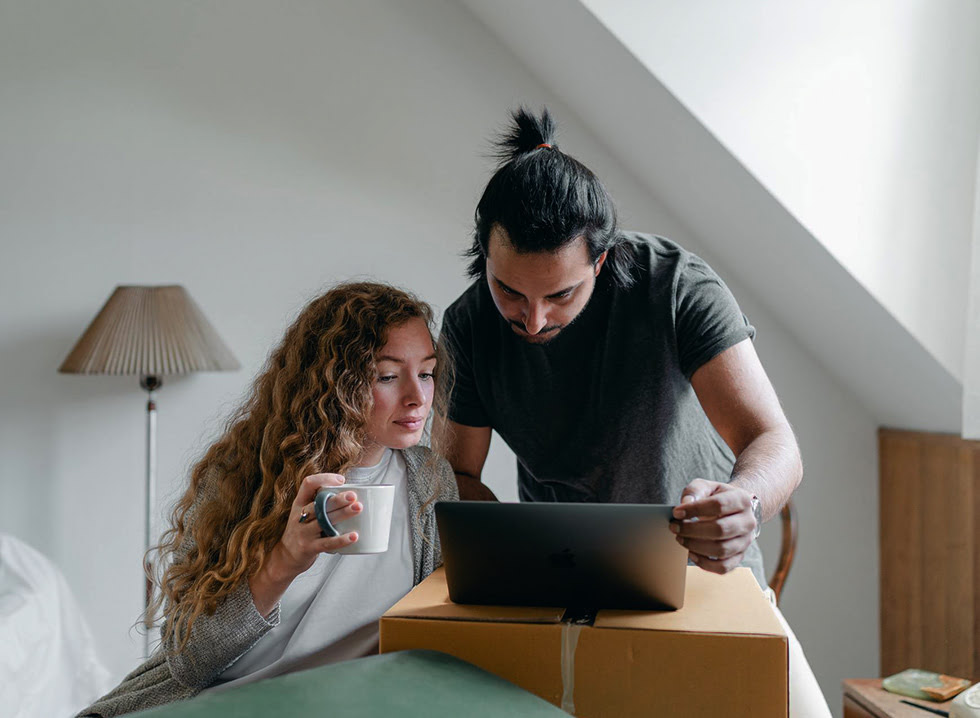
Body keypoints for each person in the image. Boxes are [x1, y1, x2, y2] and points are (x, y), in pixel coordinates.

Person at [440, 108, 831, 717]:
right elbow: (457, 473)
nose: (534, 319)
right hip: (562, 594)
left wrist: (746, 503)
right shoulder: (467, 325)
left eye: (561, 294)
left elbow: (773, 440)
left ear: (598, 261)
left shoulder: (674, 286)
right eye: (510, 291)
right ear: (483, 256)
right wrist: (500, 544)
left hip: (708, 578)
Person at [79, 281, 458, 717]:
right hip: (221, 703)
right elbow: (188, 661)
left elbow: (434, 628)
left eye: (426, 372)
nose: (417, 397)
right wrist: (284, 561)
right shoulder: (244, 475)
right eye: (388, 376)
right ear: (335, 383)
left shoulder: (428, 480)